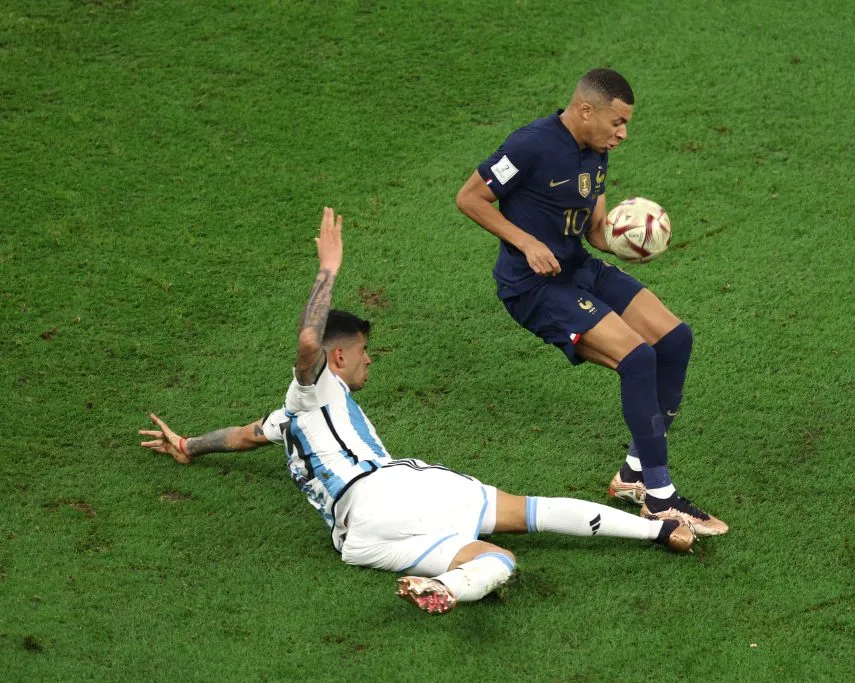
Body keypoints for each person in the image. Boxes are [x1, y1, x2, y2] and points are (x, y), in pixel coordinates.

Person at [140, 207, 696, 616]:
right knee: (532, 512)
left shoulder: (292, 420)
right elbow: (308, 345)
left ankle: (446, 590)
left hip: (357, 541)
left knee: (495, 561)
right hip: (390, 491)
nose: (368, 363)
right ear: (339, 357)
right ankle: (659, 529)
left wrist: (188, 445)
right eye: (362, 353)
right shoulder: (315, 388)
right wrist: (329, 268)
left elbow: (241, 436)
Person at [455, 68, 728, 536]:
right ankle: (660, 502)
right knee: (638, 359)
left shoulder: (597, 153)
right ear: (586, 109)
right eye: (617, 122)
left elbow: (595, 230)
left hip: (577, 266)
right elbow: (470, 198)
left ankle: (632, 475)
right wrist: (526, 243)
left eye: (626, 125)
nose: (622, 134)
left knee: (675, 339)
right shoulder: (530, 145)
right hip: (533, 287)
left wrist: (628, 238)